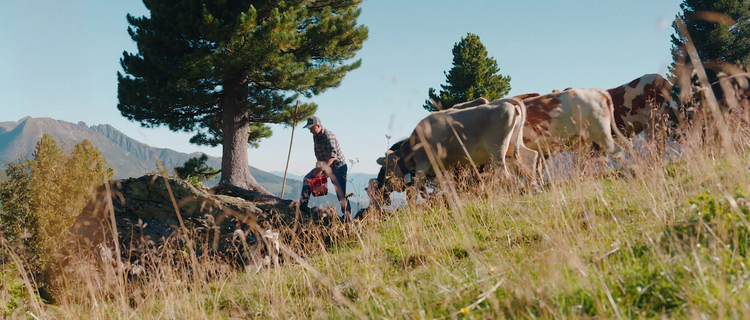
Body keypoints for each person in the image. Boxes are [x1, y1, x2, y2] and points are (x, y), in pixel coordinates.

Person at [299, 116, 351, 220]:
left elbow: (332, 156)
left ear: (318, 126)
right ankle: (302, 207)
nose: (310, 131)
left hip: (338, 168)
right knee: (308, 179)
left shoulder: (329, 136)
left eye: (311, 128)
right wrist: (319, 164)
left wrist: (321, 169)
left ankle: (347, 217)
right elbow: (318, 152)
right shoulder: (316, 135)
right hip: (325, 165)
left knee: (341, 193)